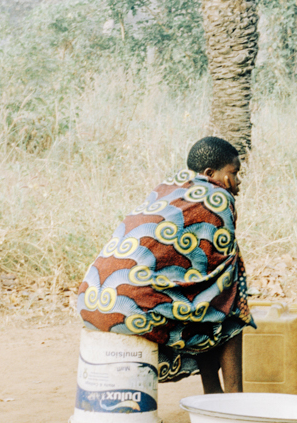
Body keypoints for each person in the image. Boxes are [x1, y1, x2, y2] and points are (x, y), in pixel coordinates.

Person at [76, 137, 249, 393]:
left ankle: (214, 394)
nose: (237, 181)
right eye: (233, 173)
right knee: (232, 309)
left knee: (210, 302)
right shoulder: (218, 198)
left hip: (92, 300)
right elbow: (223, 270)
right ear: (211, 174)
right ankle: (234, 400)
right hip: (132, 308)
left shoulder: (167, 188)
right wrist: (235, 300)